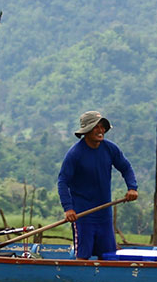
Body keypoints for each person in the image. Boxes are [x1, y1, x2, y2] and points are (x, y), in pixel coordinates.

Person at [57, 111, 138, 260]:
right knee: (83, 255)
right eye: (96, 127)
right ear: (87, 130)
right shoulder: (75, 154)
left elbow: (126, 168)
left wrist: (132, 188)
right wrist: (68, 209)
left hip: (104, 213)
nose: (100, 131)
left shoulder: (110, 149)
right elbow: (63, 182)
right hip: (83, 214)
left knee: (107, 255)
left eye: (102, 127)